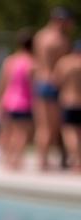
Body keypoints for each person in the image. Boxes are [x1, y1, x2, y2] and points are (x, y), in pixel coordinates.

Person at [33, 7, 75, 170]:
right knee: (56, 127)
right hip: (53, 84)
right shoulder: (59, 40)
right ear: (60, 21)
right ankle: (45, 160)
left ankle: (43, 159)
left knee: (44, 125)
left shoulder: (40, 36)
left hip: (41, 82)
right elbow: (60, 68)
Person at [0, 31, 36, 171]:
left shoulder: (10, 61)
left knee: (8, 131)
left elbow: (2, 83)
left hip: (8, 101)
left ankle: (8, 159)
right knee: (21, 133)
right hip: (25, 102)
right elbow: (33, 85)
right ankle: (16, 159)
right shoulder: (33, 63)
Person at [54, 40, 81, 169]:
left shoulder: (65, 63)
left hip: (68, 101)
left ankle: (76, 160)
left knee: (69, 132)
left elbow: (56, 81)